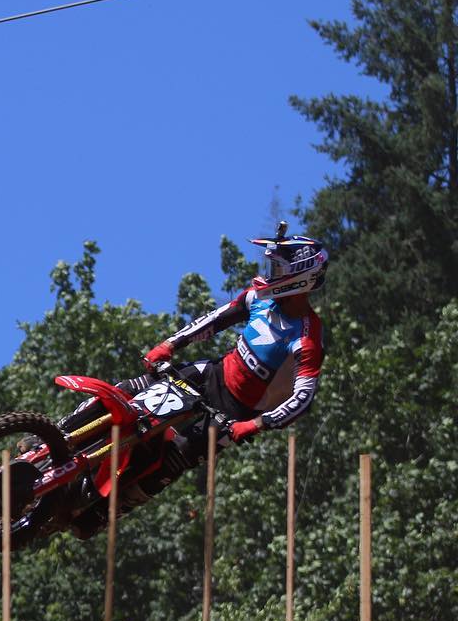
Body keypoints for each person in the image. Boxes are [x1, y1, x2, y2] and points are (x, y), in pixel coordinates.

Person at [63, 226, 326, 529]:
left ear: (300, 277)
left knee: (173, 460)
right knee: (127, 392)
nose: (270, 274)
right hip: (209, 374)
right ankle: (57, 435)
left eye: (277, 268)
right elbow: (215, 319)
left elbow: (303, 398)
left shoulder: (307, 339)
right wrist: (169, 345)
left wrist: (254, 425)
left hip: (233, 414)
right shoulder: (259, 298)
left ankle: (100, 515)